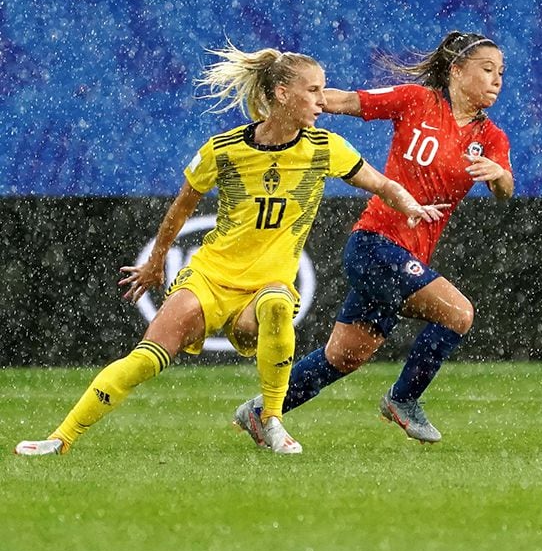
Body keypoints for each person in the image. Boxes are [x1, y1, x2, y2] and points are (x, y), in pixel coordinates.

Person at [14, 43, 445, 456]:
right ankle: (60, 438)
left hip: (264, 287)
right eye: (312, 90)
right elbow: (181, 208)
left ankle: (271, 419)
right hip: (210, 277)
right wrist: (156, 261)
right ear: (282, 93)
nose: (322, 100)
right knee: (145, 361)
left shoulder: (324, 148)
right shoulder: (224, 149)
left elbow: (384, 184)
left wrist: (410, 206)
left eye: (322, 90)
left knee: (277, 303)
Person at [233, 31, 513, 446]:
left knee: (343, 358)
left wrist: (498, 174)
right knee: (458, 314)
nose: (496, 81)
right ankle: (402, 399)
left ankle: (260, 412)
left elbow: (505, 188)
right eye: (487, 70)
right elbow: (348, 101)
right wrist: (300, 97)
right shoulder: (416, 101)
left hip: (404, 254)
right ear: (455, 71)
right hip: (375, 243)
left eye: (501, 74)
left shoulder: (490, 138)